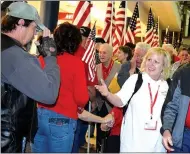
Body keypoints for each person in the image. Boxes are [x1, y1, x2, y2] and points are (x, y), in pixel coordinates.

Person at [1, 2, 60, 153]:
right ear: (21, 23)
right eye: (34, 28)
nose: (35, 34)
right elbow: (49, 94)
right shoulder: (17, 57)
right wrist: (51, 57)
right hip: (7, 140)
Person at [95, 47, 171, 152]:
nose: (151, 64)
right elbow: (120, 100)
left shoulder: (167, 86)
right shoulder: (135, 80)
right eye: (149, 60)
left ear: (163, 66)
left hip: (157, 144)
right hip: (133, 143)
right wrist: (108, 94)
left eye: (156, 62)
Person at [32, 22, 88, 153]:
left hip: (39, 115)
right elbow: (81, 97)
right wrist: (79, 106)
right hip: (63, 119)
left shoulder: (42, 59)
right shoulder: (76, 63)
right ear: (75, 42)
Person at [95, 43, 121, 152]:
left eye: (104, 52)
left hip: (114, 106)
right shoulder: (96, 67)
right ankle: (98, 149)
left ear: (111, 54)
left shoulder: (119, 67)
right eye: (100, 52)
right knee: (100, 132)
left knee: (111, 135)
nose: (101, 55)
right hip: (100, 105)